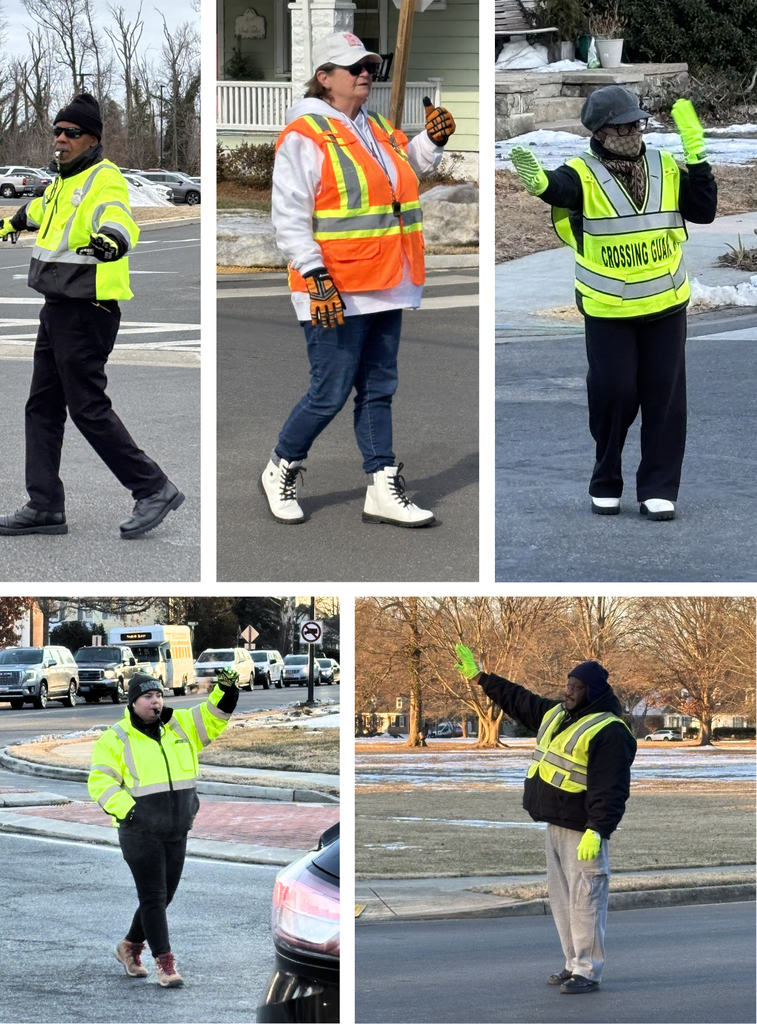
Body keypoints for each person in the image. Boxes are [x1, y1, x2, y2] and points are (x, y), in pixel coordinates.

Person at [261, 31, 457, 528]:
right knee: (329, 391)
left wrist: (430, 141)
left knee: (378, 388)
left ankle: (382, 488)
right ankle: (280, 465)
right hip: (336, 288)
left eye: (370, 66)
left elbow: (398, 176)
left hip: (387, 279)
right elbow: (288, 217)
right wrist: (314, 277)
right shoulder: (304, 135)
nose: (366, 73)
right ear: (325, 78)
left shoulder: (373, 126)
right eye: (355, 68)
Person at [509, 87, 717, 521]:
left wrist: (698, 161)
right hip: (608, 308)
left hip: (665, 302)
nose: (633, 131)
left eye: (636, 123)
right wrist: (543, 184)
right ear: (601, 132)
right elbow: (562, 189)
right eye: (623, 125)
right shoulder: (582, 172)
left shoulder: (662, 165)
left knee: (664, 396)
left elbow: (703, 212)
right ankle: (606, 477)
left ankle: (658, 488)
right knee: (615, 393)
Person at [0, 93, 184, 539]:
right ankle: (44, 506)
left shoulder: (104, 177)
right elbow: (40, 210)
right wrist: (14, 222)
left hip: (87, 308)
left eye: (70, 133)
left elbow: (118, 217)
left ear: (91, 139)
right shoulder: (60, 182)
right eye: (57, 131)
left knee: (87, 408)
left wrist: (111, 240)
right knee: (42, 407)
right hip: (57, 306)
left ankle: (153, 488)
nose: (60, 139)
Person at [454, 643, 636, 994]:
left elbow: (611, 789)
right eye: (568, 685)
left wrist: (597, 830)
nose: (568, 691)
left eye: (576, 687)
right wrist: (480, 676)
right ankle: (572, 964)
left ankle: (588, 971)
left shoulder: (609, 731)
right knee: (563, 900)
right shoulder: (558, 715)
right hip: (555, 824)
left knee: (586, 901)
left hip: (584, 832)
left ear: (592, 692)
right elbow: (519, 699)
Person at [88, 669, 239, 987]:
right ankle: (165, 964)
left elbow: (216, 714)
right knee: (154, 897)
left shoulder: (181, 725)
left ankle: (129, 946)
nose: (155, 701)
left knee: (163, 896)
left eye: (158, 695)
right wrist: (131, 813)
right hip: (139, 832)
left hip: (176, 828)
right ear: (133, 703)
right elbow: (100, 783)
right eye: (147, 696)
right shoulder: (116, 738)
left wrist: (225, 688)